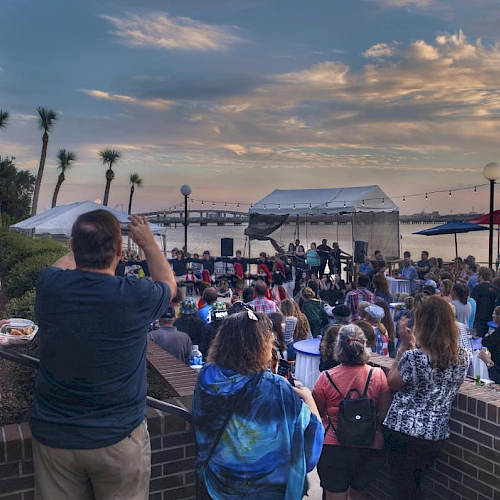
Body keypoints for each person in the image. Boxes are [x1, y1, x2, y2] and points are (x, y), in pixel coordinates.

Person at [31, 210, 176, 500]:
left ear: (72, 247)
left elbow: (62, 266)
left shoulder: (49, 285)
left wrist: (80, 247)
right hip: (118, 437)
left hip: (55, 436)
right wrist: (148, 244)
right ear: (120, 251)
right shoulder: (135, 295)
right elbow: (169, 286)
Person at [192, 311, 324, 498]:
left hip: (218, 484)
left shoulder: (207, 377)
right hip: (267, 490)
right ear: (262, 345)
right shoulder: (276, 387)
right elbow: (309, 442)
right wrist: (309, 399)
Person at [383, 295, 471, 500]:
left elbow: (393, 382)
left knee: (402, 488)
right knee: (414, 483)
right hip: (435, 432)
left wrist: (403, 348)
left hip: (402, 429)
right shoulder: (463, 357)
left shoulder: (414, 357)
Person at [313, 324, 392, 500]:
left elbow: (317, 414)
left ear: (338, 347)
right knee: (358, 495)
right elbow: (384, 414)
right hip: (369, 445)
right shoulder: (378, 375)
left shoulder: (325, 378)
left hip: (333, 447)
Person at [471, 266, 500, 337]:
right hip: (492, 321)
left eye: (477, 275)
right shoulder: (496, 289)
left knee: (475, 340)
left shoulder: (477, 288)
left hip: (478, 320)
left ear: (481, 276)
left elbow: (473, 304)